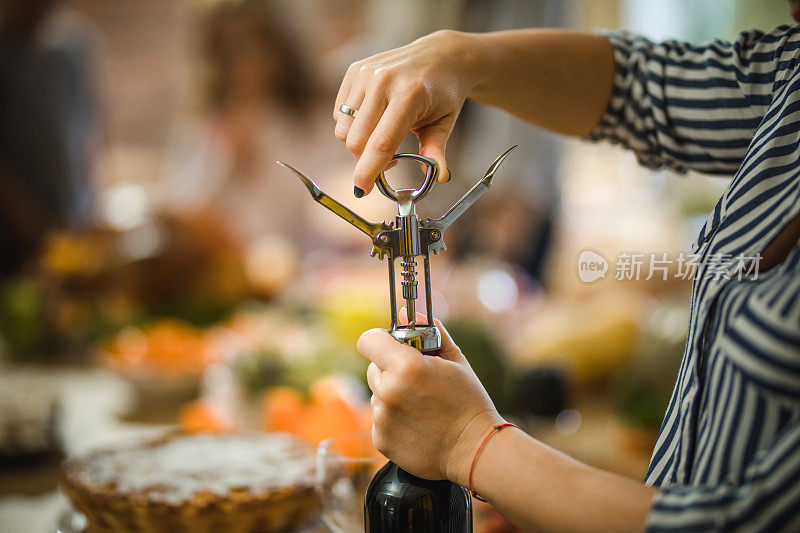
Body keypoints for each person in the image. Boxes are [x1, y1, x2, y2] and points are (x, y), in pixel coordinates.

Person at [336, 5, 800, 533]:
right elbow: (643, 87)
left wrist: (470, 442)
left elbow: (747, 524)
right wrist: (460, 57)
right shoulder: (792, 72)